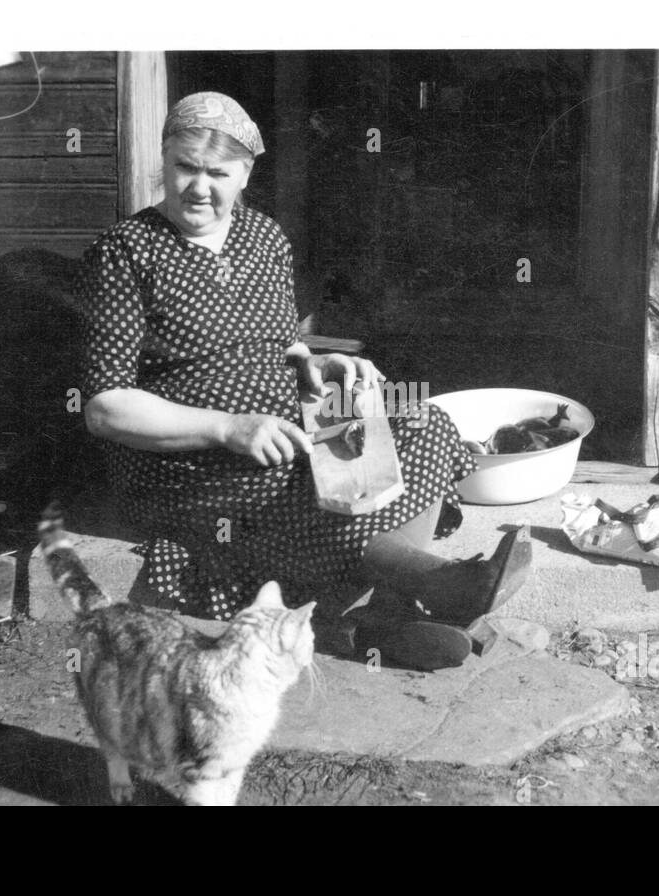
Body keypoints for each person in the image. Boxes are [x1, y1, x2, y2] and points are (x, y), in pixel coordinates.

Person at [76, 92, 532, 671]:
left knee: (424, 423)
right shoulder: (125, 253)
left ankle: (384, 615)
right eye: (185, 167)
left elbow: (276, 340)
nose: (199, 187)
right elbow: (105, 407)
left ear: (244, 173)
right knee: (309, 490)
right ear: (162, 162)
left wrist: (312, 364)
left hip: (290, 422)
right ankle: (439, 589)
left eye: (218, 173)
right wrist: (226, 427)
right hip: (189, 464)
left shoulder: (264, 238)